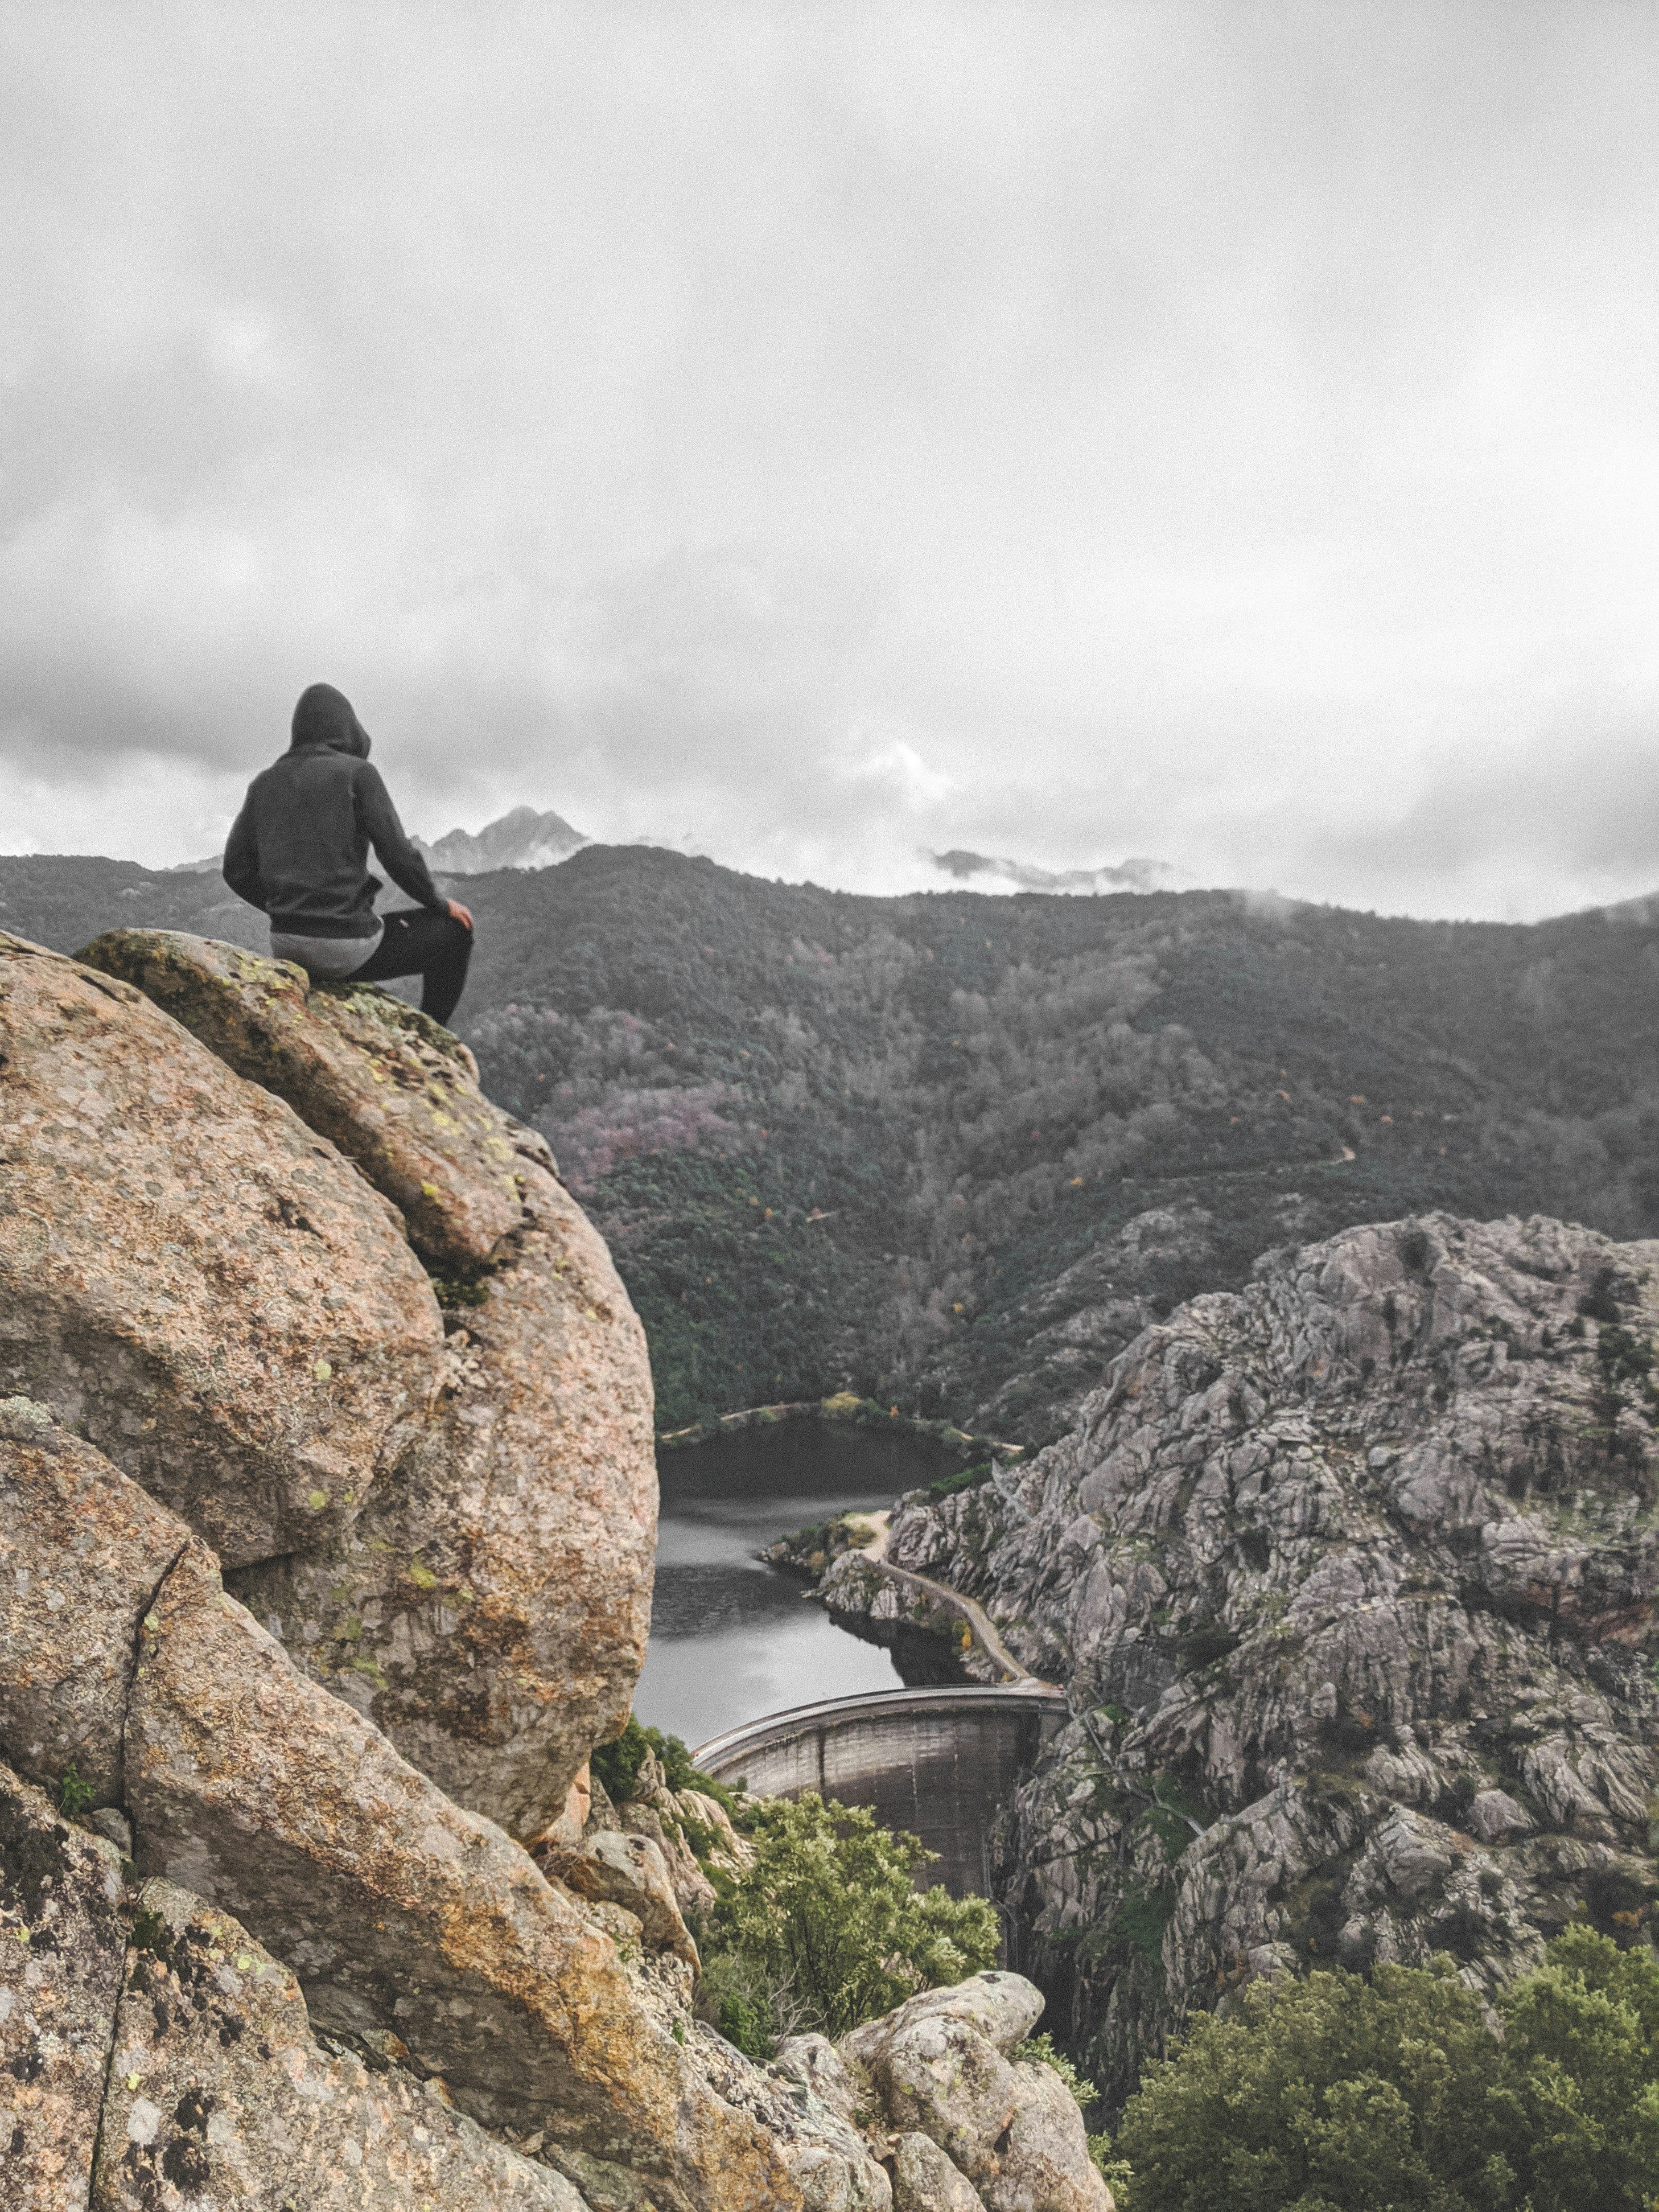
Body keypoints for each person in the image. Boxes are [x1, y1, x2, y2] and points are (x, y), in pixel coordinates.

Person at [223, 682, 475, 1027]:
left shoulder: (265, 783)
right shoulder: (358, 774)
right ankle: (431, 1037)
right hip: (345, 946)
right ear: (346, 727)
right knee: (454, 934)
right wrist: (440, 903)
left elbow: (235, 871)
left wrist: (289, 907)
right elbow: (398, 856)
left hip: (286, 943)